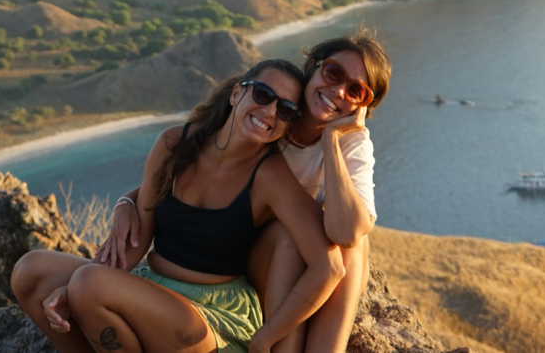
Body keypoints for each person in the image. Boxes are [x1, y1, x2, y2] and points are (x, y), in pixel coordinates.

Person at [11, 59, 346, 353]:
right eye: (262, 94)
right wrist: (74, 285)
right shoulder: (175, 143)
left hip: (210, 317)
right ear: (236, 94)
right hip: (151, 287)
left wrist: (267, 337)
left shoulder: (270, 175)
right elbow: (136, 242)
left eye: (286, 110)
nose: (270, 111)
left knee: (87, 284)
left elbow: (329, 267)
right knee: (31, 271)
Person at [98, 30, 390, 352]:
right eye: (334, 73)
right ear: (314, 66)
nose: (339, 91)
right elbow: (194, 168)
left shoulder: (350, 141)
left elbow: (347, 233)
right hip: (236, 253)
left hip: (288, 262)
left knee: (353, 247)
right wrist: (127, 201)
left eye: (356, 91)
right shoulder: (270, 114)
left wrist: (332, 140)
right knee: (291, 236)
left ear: (364, 107)